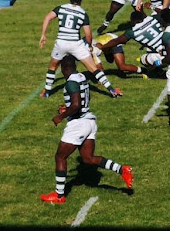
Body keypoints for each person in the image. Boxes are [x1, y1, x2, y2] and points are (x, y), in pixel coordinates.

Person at [39, 56, 133, 204]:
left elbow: (76, 104)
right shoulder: (81, 77)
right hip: (89, 121)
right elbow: (81, 100)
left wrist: (61, 116)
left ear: (64, 69)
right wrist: (68, 107)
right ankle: (122, 170)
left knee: (60, 157)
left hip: (78, 125)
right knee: (87, 159)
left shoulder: (70, 82)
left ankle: (59, 196)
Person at [39, 0, 121, 99]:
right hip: (76, 45)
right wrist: (90, 46)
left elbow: (47, 18)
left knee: (53, 66)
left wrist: (43, 35)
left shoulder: (61, 8)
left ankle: (47, 92)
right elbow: (88, 34)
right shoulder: (83, 14)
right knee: (93, 68)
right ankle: (111, 89)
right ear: (81, 0)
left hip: (61, 43)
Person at [98, 11, 170, 82]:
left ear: (134, 21)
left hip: (164, 56)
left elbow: (116, 41)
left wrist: (102, 46)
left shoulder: (132, 32)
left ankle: (157, 69)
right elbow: (163, 14)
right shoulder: (152, 19)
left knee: (144, 59)